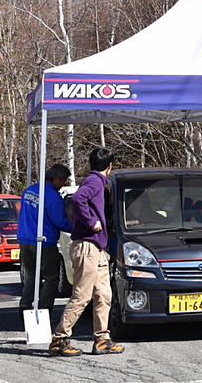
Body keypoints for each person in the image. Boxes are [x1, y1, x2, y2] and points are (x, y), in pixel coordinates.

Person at [49, 148, 124, 357]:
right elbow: (77, 199)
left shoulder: (96, 181)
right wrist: (92, 222)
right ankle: (59, 339)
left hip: (97, 248)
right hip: (87, 246)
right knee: (82, 296)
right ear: (109, 166)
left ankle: (102, 339)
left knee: (104, 294)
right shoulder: (94, 181)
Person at [18, 163, 73, 319]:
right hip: (44, 241)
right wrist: (78, 227)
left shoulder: (30, 190)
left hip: (25, 239)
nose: (63, 184)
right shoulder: (53, 196)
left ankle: (25, 305)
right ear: (56, 179)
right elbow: (59, 222)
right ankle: (44, 310)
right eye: (63, 180)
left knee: (31, 274)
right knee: (50, 278)